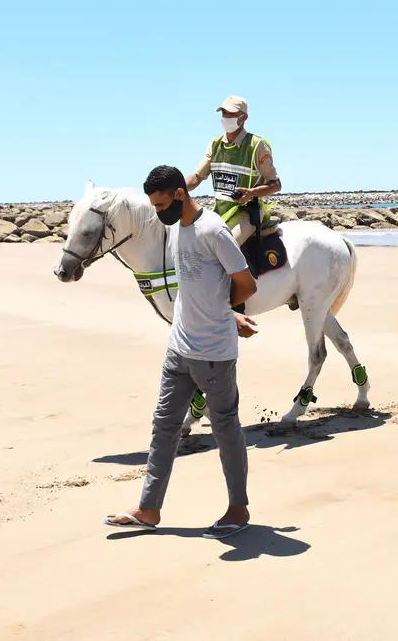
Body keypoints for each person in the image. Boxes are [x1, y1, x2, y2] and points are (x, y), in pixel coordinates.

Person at [104, 165, 260, 538]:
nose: (158, 213)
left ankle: (238, 510)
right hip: (179, 347)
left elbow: (246, 284)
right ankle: (148, 509)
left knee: (226, 431)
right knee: (164, 427)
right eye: (153, 207)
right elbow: (195, 286)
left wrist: (225, 315)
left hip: (213, 353)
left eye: (161, 205)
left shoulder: (213, 231)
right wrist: (221, 311)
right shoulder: (175, 229)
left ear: (179, 194)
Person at [186, 95, 283, 247]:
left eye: (232, 114)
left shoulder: (257, 146)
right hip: (220, 211)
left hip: (248, 212)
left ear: (244, 118)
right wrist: (175, 190)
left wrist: (250, 193)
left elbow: (276, 184)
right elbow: (197, 177)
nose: (227, 117)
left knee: (225, 247)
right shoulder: (215, 144)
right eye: (224, 113)